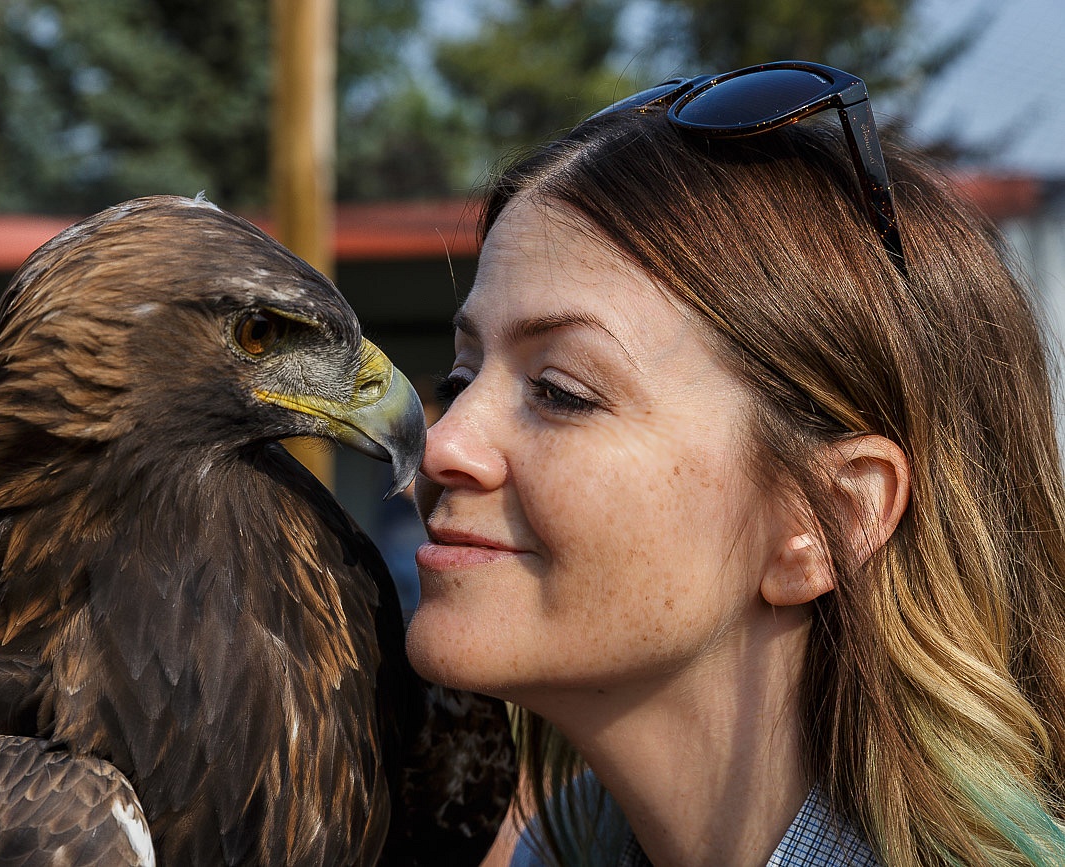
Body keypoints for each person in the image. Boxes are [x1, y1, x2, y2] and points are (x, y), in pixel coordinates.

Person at [404, 60, 1065, 867]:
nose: (443, 444)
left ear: (829, 520)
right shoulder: (559, 850)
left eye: (560, 390)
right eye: (460, 378)